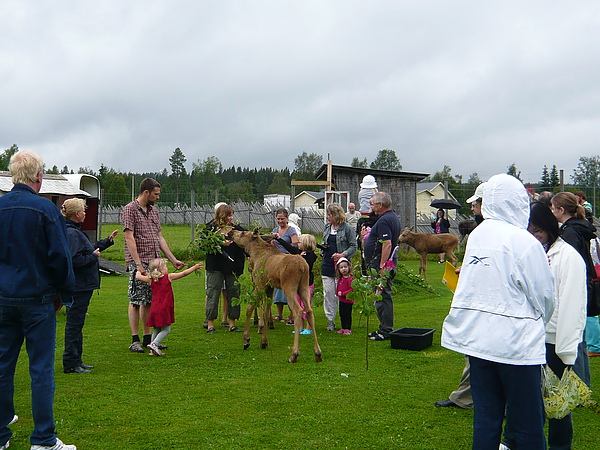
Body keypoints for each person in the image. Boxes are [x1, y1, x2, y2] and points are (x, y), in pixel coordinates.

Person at [441, 174, 555, 449]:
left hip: (479, 343)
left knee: (487, 419)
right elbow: (544, 296)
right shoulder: (524, 242)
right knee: (526, 421)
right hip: (517, 347)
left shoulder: (479, 235)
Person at [0, 150, 77, 450]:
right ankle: (43, 438)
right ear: (38, 176)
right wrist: (63, 293)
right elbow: (60, 258)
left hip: (4, 299)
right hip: (37, 300)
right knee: (41, 369)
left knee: (3, 366)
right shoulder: (45, 210)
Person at [501, 201, 586, 450]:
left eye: (538, 230)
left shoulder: (567, 257)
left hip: (554, 341)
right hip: (526, 338)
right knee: (523, 397)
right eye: (529, 231)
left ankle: (560, 446)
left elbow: (573, 305)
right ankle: (512, 439)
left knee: (558, 402)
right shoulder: (526, 254)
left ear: (549, 227)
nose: (534, 236)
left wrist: (567, 351)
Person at [435, 183, 486, 410]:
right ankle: (465, 396)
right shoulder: (481, 232)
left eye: (476, 204)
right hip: (475, 299)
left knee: (478, 351)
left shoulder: (491, 233)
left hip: (486, 303)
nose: (473, 208)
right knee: (472, 351)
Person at [122, 178, 185, 353]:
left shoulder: (154, 211)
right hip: (139, 261)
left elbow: (159, 237)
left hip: (154, 261)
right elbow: (129, 237)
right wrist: (137, 264)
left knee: (150, 300)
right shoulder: (130, 210)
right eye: (156, 194)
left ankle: (148, 337)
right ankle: (135, 339)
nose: (158, 197)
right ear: (146, 192)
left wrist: (172, 259)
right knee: (136, 300)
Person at [61, 198, 118, 374]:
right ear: (77, 214)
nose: (86, 213)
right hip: (80, 286)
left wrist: (106, 242)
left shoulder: (74, 231)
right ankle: (71, 362)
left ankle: (77, 359)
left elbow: (87, 250)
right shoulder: (72, 234)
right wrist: (93, 257)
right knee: (74, 324)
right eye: (83, 211)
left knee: (77, 323)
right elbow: (75, 259)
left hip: (82, 285)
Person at [551, 192, 598, 384]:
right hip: (585, 282)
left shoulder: (569, 232)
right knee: (580, 336)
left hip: (576, 285)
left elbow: (569, 262)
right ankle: (582, 383)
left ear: (561, 210)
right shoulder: (579, 228)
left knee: (573, 337)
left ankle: (576, 386)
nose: (551, 212)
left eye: (553, 208)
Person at [136, 258, 203, 355]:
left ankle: (152, 349)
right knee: (166, 329)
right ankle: (154, 344)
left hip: (154, 308)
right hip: (164, 307)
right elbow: (183, 273)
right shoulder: (168, 277)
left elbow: (138, 276)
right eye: (165, 266)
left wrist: (138, 269)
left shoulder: (151, 280)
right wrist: (194, 267)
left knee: (157, 328)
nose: (167, 268)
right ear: (161, 269)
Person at [363, 192, 401, 341]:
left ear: (380, 205)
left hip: (383, 264)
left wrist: (381, 266)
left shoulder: (385, 220)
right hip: (382, 262)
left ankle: (386, 330)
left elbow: (387, 244)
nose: (371, 207)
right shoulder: (391, 217)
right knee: (380, 295)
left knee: (382, 295)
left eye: (372, 204)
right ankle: (382, 327)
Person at [204, 203, 246, 333]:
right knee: (213, 292)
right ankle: (210, 323)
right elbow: (204, 244)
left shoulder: (237, 230)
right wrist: (220, 243)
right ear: (222, 216)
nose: (231, 218)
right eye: (229, 215)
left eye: (232, 215)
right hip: (215, 266)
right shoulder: (210, 229)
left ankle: (232, 323)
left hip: (233, 266)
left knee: (234, 292)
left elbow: (248, 242)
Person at [321, 203, 358, 331]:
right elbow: (324, 241)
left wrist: (342, 255)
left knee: (341, 294)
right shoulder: (327, 227)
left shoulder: (347, 228)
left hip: (341, 267)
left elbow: (354, 246)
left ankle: (345, 323)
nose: (327, 217)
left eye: (329, 215)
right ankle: (330, 321)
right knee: (328, 293)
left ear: (336, 215)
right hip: (327, 264)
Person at [277, 233, 318, 334]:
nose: (298, 244)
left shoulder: (310, 255)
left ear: (306, 243)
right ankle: (300, 326)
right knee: (298, 305)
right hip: (298, 284)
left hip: (307, 284)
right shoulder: (299, 252)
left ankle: (309, 328)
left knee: (306, 305)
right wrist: (279, 239)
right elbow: (289, 248)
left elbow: (306, 265)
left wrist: (301, 257)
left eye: (300, 242)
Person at [271, 208, 299, 324]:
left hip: (288, 260)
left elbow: (295, 246)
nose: (280, 221)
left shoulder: (291, 231)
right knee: (278, 288)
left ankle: (292, 314)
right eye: (278, 219)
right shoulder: (275, 230)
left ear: (287, 218)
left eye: (282, 218)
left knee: (288, 287)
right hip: (276, 261)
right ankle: (279, 313)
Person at [335, 257, 354, 335]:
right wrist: (337, 293)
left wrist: (343, 293)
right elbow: (338, 288)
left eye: (345, 267)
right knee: (342, 314)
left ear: (349, 267)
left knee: (347, 314)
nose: (344, 269)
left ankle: (347, 328)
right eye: (341, 267)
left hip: (348, 300)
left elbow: (351, 289)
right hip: (341, 300)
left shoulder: (350, 279)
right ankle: (343, 327)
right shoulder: (340, 279)